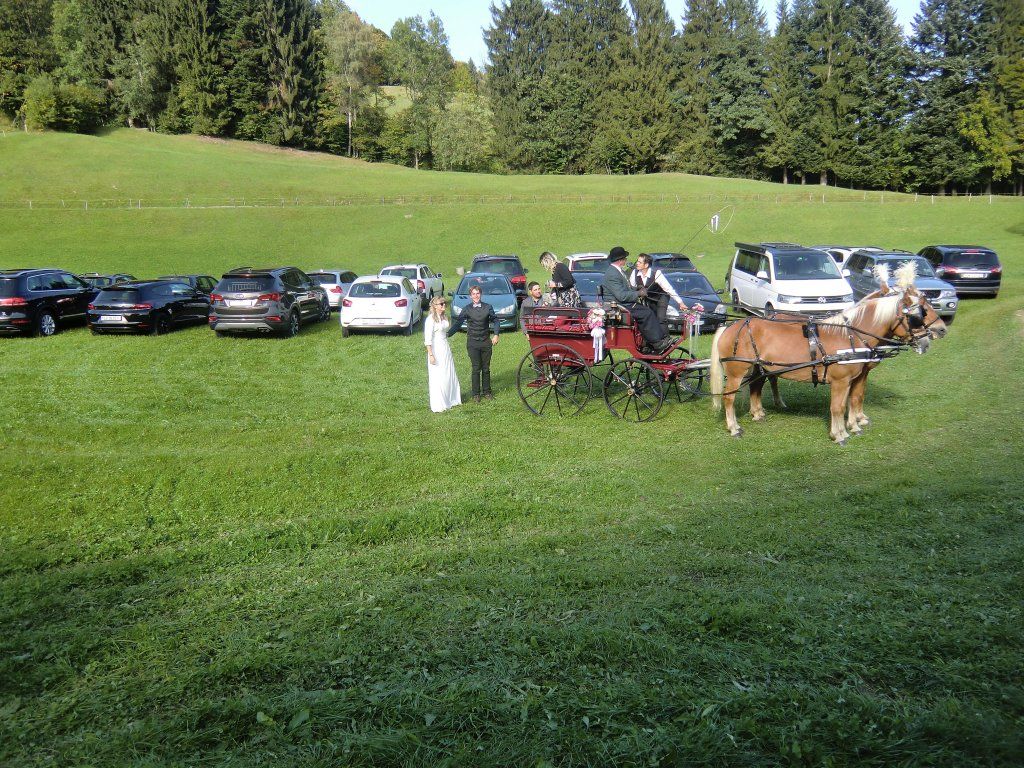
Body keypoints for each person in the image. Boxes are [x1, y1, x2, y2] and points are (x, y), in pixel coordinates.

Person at [601, 246, 673, 353]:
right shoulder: (612, 274)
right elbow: (621, 295)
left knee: (646, 310)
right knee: (646, 313)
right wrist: (638, 293)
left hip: (622, 304)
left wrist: (636, 289)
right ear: (620, 260)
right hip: (617, 307)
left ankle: (652, 341)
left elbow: (625, 289)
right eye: (625, 258)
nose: (626, 260)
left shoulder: (617, 271)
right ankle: (657, 343)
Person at [448, 284, 499, 401]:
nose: (476, 296)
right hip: (473, 343)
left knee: (486, 368)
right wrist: (447, 334)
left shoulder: (488, 307)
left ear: (480, 294)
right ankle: (476, 394)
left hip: (486, 341)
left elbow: (496, 321)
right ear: (470, 296)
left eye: (478, 293)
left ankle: (487, 392)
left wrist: (496, 335)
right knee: (476, 368)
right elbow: (458, 323)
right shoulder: (467, 309)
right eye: (473, 294)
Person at [630, 253, 688, 335]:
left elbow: (668, 288)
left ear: (646, 265)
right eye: (637, 261)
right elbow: (632, 288)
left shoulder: (656, 273)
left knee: (661, 318)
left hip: (661, 297)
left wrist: (680, 303)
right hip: (648, 298)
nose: (637, 263)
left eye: (639, 262)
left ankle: (666, 339)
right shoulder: (634, 273)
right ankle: (654, 339)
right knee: (650, 318)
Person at [423, 295, 462, 412]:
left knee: (448, 372)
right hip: (436, 349)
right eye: (441, 304)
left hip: (445, 347)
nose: (444, 305)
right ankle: (440, 402)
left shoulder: (444, 317)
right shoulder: (430, 320)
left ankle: (451, 398)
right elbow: (428, 339)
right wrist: (431, 354)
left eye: (444, 303)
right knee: (439, 375)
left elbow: (446, 332)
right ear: (435, 306)